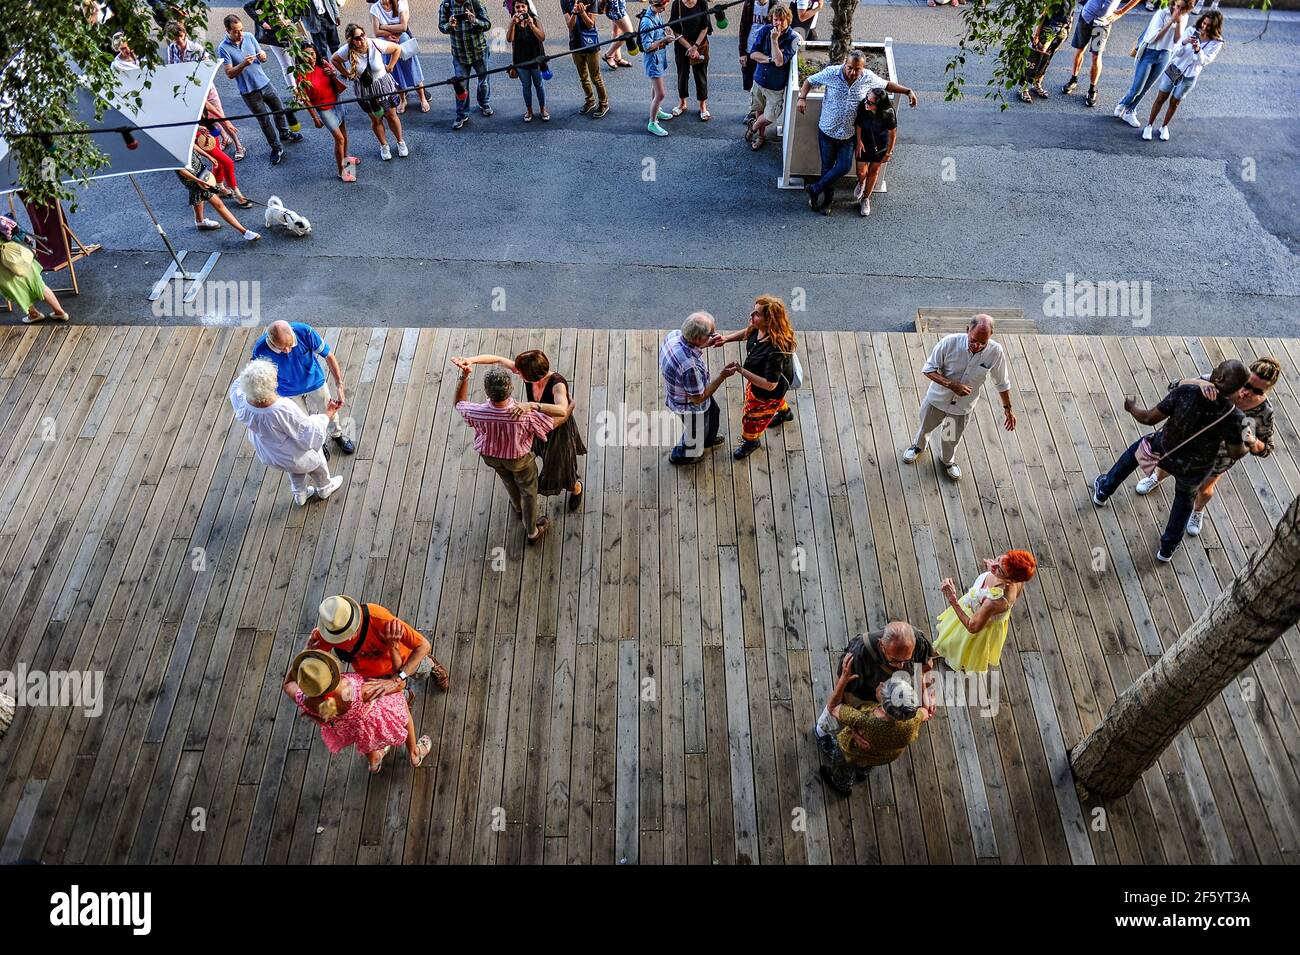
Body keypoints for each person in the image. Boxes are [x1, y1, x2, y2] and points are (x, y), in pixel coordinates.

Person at [1092, 358, 1249, 561]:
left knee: (1133, 455)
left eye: (1216, 367)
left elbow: (1149, 418)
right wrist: (1248, 437)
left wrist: (1131, 408)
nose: (1213, 368)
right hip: (1194, 469)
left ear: (1219, 377)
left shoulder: (1189, 392)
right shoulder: (1234, 417)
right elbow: (1236, 453)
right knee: (1183, 502)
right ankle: (1167, 548)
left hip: (1163, 449)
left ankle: (1104, 490)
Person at [1135, 356, 1281, 538]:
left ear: (1266, 391)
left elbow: (1267, 448)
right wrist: (1199, 383)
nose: (1246, 393)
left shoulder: (1264, 412)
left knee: (1204, 489)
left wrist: (1253, 442)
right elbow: (1174, 385)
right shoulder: (1224, 382)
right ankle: (1156, 478)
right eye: (1247, 385)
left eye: (1256, 391)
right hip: (1186, 439)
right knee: (1166, 466)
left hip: (1217, 458)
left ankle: (1197, 511)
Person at [454, 363, 571, 544]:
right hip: (519, 460)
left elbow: (459, 403)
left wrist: (464, 376)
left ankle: (517, 508)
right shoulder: (524, 415)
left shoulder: (477, 412)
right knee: (529, 492)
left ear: (487, 391)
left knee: (508, 480)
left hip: (491, 457)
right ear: (511, 388)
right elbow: (553, 424)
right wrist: (568, 410)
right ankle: (532, 531)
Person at [454, 350, 585, 508]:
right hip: (534, 424)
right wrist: (471, 360)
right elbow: (497, 358)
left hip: (557, 430)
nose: (516, 374)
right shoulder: (528, 375)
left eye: (520, 372)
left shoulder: (557, 383)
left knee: (560, 468)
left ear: (532, 374)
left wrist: (532, 405)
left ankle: (576, 487)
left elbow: (563, 410)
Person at [797, 52, 917, 215]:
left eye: (857, 69)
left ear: (863, 68)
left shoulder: (867, 77)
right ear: (844, 64)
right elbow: (809, 81)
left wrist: (907, 91)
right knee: (827, 168)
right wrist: (802, 97)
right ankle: (827, 201)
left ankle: (815, 188)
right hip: (827, 130)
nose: (853, 72)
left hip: (848, 134)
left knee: (843, 167)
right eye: (850, 68)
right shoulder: (831, 73)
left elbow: (887, 85)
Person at [903, 315, 1015, 480]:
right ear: (967, 330)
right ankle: (918, 447)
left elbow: (1002, 383)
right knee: (926, 427)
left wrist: (1008, 409)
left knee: (950, 437)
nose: (977, 346)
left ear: (991, 335)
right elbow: (928, 369)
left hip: (962, 407)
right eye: (974, 340)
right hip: (937, 400)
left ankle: (947, 460)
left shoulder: (995, 352)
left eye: (983, 343)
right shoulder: (949, 343)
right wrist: (951, 385)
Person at [285, 648, 429, 773]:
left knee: (362, 738)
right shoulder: (352, 689)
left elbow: (286, 684)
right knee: (403, 712)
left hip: (351, 727)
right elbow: (400, 685)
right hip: (374, 716)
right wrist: (393, 647)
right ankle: (414, 754)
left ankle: (374, 761)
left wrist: (303, 668)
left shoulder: (304, 699)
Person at [228, 359, 344, 506]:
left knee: (293, 468)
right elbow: (309, 433)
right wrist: (327, 414)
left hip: (271, 451)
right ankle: (325, 488)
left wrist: (254, 370)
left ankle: (300, 494)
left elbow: (239, 382)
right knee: (316, 465)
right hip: (294, 451)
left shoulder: (240, 398)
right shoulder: (282, 409)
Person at [819, 663, 930, 795]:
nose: (882, 683)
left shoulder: (863, 719)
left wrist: (843, 680)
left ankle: (842, 784)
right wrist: (922, 680)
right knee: (867, 763)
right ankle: (862, 772)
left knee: (843, 766)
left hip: (852, 752)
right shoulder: (912, 720)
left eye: (884, 686)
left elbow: (832, 707)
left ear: (884, 700)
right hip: (883, 755)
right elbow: (925, 711)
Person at [711, 295, 798, 460]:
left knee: (751, 419)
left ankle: (751, 441)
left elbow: (770, 385)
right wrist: (726, 339)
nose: (751, 315)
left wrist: (741, 370)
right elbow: (748, 332)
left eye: (757, 314)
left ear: (769, 321)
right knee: (771, 405)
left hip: (766, 392)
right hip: (762, 383)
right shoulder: (759, 328)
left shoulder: (775, 350)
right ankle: (785, 413)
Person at [252, 320, 357, 455]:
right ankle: (317, 444)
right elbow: (258, 373)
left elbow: (329, 356)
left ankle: (337, 434)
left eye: (289, 345)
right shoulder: (260, 350)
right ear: (270, 341)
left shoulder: (305, 332)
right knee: (303, 422)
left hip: (314, 382)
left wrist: (339, 385)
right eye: (281, 348)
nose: (287, 351)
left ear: (292, 333)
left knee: (330, 410)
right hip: (287, 391)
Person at [305, 594, 450, 691]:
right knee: (398, 697)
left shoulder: (379, 618)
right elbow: (311, 664)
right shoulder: (329, 631)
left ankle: (431, 667)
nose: (345, 639)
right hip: (373, 676)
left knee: (422, 670)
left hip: (405, 658)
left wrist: (398, 678)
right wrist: (309, 649)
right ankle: (407, 698)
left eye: (346, 633)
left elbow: (423, 645)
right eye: (340, 637)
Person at [217, 14, 304, 166]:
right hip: (249, 92)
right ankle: (276, 148)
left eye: (241, 30)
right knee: (264, 121)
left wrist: (263, 57)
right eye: (236, 31)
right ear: (227, 30)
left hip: (265, 83)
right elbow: (229, 73)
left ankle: (284, 134)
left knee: (279, 111)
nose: (240, 34)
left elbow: (262, 57)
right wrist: (244, 64)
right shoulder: (223, 48)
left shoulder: (249, 37)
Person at [935, 551, 1037, 672]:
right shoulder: (1016, 575)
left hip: (975, 622)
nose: (993, 566)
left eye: (1000, 570)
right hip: (979, 611)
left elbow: (972, 627)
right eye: (998, 559)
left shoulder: (994, 602)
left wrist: (952, 600)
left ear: (1012, 580)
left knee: (956, 643)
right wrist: (996, 570)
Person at [659, 312, 736, 465]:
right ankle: (682, 455)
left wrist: (706, 342)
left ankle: (708, 440)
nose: (714, 336)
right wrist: (722, 376)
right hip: (690, 405)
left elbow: (691, 347)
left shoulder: (674, 335)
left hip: (688, 390)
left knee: (714, 413)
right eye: (711, 334)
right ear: (698, 339)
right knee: (695, 432)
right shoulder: (690, 367)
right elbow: (698, 398)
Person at [167, 20, 246, 161]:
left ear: (183, 34)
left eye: (178, 37)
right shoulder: (171, 48)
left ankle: (238, 145)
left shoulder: (196, 48)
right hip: (189, 92)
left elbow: (209, 67)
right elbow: (172, 68)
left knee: (220, 116)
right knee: (208, 119)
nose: (177, 41)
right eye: (173, 38)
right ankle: (224, 138)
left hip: (205, 89)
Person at [1141, 10, 1223, 141]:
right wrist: (1184, 42)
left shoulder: (1217, 42)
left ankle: (1164, 127)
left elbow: (1204, 61)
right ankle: (1149, 126)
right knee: (1161, 97)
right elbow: (1176, 51)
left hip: (1189, 76)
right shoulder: (1191, 30)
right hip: (1175, 68)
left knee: (1175, 102)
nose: (1204, 27)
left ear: (1215, 27)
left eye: (1209, 26)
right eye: (1204, 23)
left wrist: (1198, 50)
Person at [332, 24, 408, 160]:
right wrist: (347, 74)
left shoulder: (374, 43)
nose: (362, 39)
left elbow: (397, 48)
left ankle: (400, 141)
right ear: (351, 41)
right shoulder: (347, 50)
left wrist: (390, 66)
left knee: (391, 115)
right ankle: (384, 145)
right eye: (357, 38)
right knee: (376, 119)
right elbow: (334, 60)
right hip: (365, 90)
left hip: (383, 86)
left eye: (363, 35)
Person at [1115, 0, 1189, 125]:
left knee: (1146, 88)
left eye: (1182, 8)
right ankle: (1123, 103)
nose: (1179, 10)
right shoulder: (1162, 13)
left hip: (1165, 54)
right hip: (1149, 52)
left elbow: (1177, 40)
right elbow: (1153, 37)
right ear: (1174, 3)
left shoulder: (1184, 17)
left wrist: (1179, 22)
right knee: (1137, 88)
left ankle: (1130, 111)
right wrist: (1171, 21)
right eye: (1177, 6)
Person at [1062, 0, 1144, 108]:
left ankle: (1092, 89)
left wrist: (1121, 12)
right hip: (1086, 17)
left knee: (1096, 57)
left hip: (1102, 24)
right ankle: (1073, 79)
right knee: (1080, 49)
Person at [297, 43, 357, 181]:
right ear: (301, 57)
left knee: (344, 133)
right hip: (324, 109)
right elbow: (306, 100)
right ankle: (342, 171)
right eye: (306, 55)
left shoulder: (322, 63)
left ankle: (346, 159)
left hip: (337, 101)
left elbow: (334, 75)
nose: (310, 58)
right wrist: (315, 117)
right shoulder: (301, 75)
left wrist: (332, 73)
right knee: (339, 139)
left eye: (312, 53)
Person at [745, 3, 798, 151]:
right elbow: (753, 54)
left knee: (771, 116)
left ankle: (754, 126)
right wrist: (769, 59)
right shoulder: (764, 30)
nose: (778, 23)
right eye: (775, 19)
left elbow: (780, 62)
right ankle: (761, 136)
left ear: (788, 20)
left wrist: (774, 40)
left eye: (781, 20)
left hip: (775, 86)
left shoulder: (792, 38)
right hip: (759, 80)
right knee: (759, 109)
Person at [175, 151, 261, 240]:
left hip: (199, 174)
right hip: (195, 179)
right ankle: (244, 231)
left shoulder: (180, 140)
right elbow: (181, 170)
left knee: (197, 195)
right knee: (219, 205)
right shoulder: (172, 149)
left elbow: (192, 145)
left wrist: (208, 156)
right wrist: (198, 181)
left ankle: (200, 221)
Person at [439, 0, 494, 129]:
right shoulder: (446, 5)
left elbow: (487, 24)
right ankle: (462, 114)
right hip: (459, 53)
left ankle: (484, 102)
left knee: (484, 81)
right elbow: (442, 26)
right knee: (461, 86)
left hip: (479, 51)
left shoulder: (475, 3)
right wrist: (450, 25)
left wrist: (475, 21)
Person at [371, 0, 431, 114]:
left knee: (412, 69)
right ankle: (402, 100)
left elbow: (403, 27)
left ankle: (422, 98)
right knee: (395, 73)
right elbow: (376, 32)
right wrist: (389, 34)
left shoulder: (400, 2)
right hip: (387, 43)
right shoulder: (375, 7)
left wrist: (385, 27)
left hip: (402, 40)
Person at [1018, 0, 1074, 102]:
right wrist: (1037, 34)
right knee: (1035, 58)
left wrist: (1068, 28)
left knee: (1046, 59)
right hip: (1050, 27)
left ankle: (1037, 83)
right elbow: (1044, 12)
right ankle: (1023, 87)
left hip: (1062, 29)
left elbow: (1071, 9)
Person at [852, 84, 896, 217]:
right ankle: (861, 182)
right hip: (864, 142)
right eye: (866, 99)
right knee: (861, 171)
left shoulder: (888, 113)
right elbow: (858, 124)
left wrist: (889, 152)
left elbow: (892, 133)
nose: (866, 103)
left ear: (879, 105)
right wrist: (858, 141)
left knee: (874, 171)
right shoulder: (863, 107)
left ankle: (866, 198)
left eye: (870, 102)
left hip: (880, 144)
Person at [561, 0, 609, 118]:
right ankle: (590, 100)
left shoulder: (591, 0)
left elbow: (590, 24)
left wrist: (582, 12)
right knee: (583, 77)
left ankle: (603, 103)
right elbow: (570, 26)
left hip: (590, 42)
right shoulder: (565, 1)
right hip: (575, 43)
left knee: (596, 77)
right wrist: (574, 13)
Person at [1, 241, 69, 324]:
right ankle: (60, 312)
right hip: (15, 250)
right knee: (38, 284)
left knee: (15, 289)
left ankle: (34, 314)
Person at [192, 116, 252, 209]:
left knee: (219, 162)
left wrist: (226, 122)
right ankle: (236, 193)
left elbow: (211, 108)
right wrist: (197, 127)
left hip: (209, 128)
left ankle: (219, 188)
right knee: (228, 163)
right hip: (200, 135)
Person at [508, 0, 549, 122]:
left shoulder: (535, 20)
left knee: (539, 85)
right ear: (514, 9)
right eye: (517, 7)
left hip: (536, 59)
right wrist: (511, 24)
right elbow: (510, 39)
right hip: (521, 61)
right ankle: (529, 110)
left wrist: (532, 25)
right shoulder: (514, 23)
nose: (520, 9)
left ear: (527, 7)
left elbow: (542, 37)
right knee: (526, 86)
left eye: (523, 6)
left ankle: (542, 109)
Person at [670, 0, 711, 121]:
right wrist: (689, 47)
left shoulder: (702, 3)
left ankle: (703, 106)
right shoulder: (676, 4)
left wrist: (695, 47)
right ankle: (682, 103)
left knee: (700, 75)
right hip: (682, 45)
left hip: (700, 44)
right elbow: (675, 30)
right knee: (682, 74)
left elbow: (705, 27)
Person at [640, 0, 677, 136]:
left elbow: (659, 32)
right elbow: (647, 47)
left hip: (659, 57)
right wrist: (663, 40)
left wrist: (665, 31)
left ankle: (657, 111)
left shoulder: (656, 15)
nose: (664, 9)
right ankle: (652, 122)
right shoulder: (647, 22)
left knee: (655, 89)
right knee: (661, 94)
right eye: (663, 7)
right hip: (653, 59)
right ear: (657, 5)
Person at [738, 0, 773, 102]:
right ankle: (753, 109)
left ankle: (759, 111)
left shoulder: (774, 4)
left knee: (764, 82)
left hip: (766, 50)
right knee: (749, 81)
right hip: (750, 48)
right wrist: (742, 52)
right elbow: (743, 28)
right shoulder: (749, 4)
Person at [602, 0, 636, 69]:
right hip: (616, 8)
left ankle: (617, 57)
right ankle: (608, 55)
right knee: (628, 34)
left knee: (616, 32)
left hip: (617, 6)